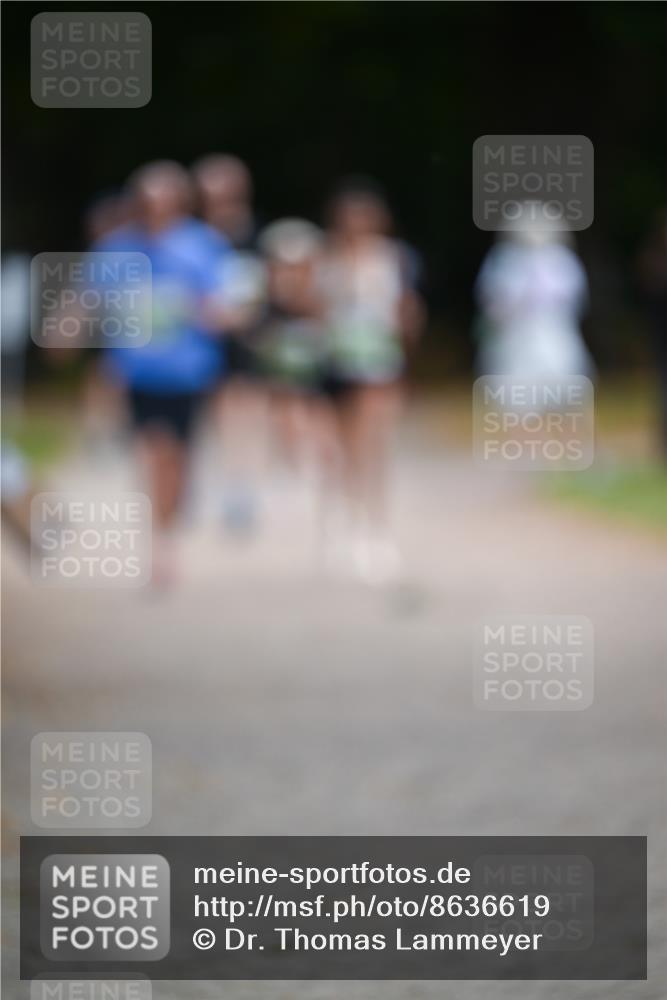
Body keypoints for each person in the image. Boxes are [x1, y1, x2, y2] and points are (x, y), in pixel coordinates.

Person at [94, 160, 229, 584]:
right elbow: (90, 299)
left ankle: (172, 513)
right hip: (136, 371)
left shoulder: (204, 245)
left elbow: (228, 303)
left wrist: (211, 313)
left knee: (177, 456)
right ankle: (162, 545)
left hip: (188, 371)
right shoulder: (116, 248)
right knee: (152, 451)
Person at [318, 179, 423, 584]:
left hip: (380, 363)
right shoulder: (327, 260)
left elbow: (405, 311)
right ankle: (345, 520)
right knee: (344, 449)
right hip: (339, 362)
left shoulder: (394, 259)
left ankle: (375, 528)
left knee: (375, 446)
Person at [191, 154, 267, 535]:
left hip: (244, 340)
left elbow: (264, 286)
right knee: (207, 417)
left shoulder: (253, 234)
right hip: (197, 340)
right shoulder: (192, 234)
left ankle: (241, 492)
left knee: (242, 414)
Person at [474, 212, 592, 382]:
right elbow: (492, 297)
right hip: (515, 331)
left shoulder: (560, 258)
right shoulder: (505, 259)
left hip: (553, 327)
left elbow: (574, 296)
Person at [256, 218, 326, 475]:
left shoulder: (320, 292)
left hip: (313, 366)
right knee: (283, 409)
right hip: (282, 367)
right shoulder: (269, 297)